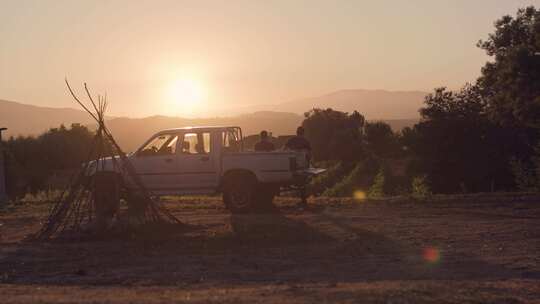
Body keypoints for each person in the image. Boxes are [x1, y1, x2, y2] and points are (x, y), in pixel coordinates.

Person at [284, 126, 312, 208]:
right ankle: (303, 199)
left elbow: (284, 149)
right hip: (303, 164)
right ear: (303, 133)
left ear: (296, 132)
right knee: (303, 182)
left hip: (292, 164)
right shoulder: (306, 141)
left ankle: (301, 198)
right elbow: (309, 153)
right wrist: (309, 162)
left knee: (296, 180)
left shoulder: (291, 140)